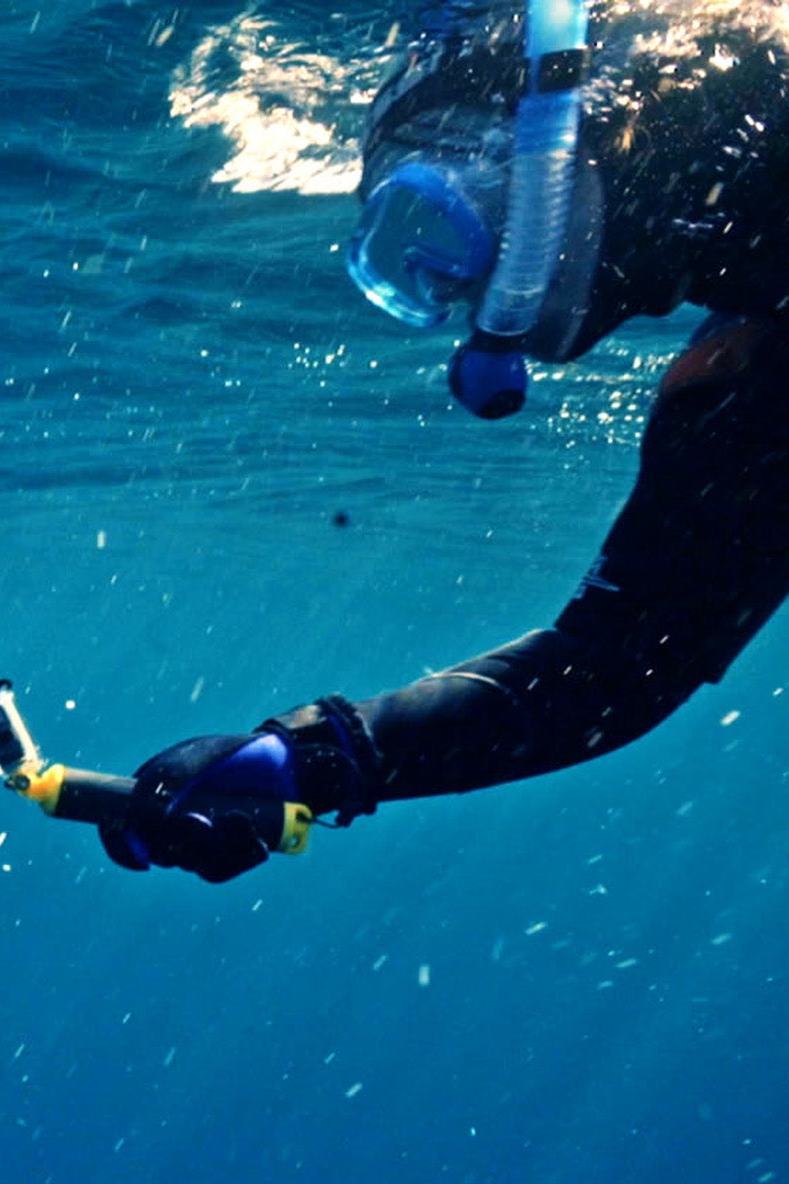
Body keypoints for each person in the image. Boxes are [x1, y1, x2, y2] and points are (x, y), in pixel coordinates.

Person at [106, 0, 789, 882]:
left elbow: (623, 670)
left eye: (468, 199)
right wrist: (312, 762)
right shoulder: (745, 368)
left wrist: (318, 761)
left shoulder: (746, 362)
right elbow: (620, 663)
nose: (452, 282)